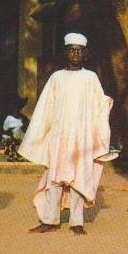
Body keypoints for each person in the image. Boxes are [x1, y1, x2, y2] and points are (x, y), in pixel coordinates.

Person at [18, 33, 116, 235]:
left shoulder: (91, 78)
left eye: (79, 50)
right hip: (59, 136)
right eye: (72, 50)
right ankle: (50, 220)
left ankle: (76, 222)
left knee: (79, 177)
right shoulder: (56, 78)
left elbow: (99, 106)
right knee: (54, 178)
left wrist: (103, 113)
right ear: (65, 53)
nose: (76, 54)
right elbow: (45, 107)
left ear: (85, 54)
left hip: (82, 137)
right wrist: (42, 134)